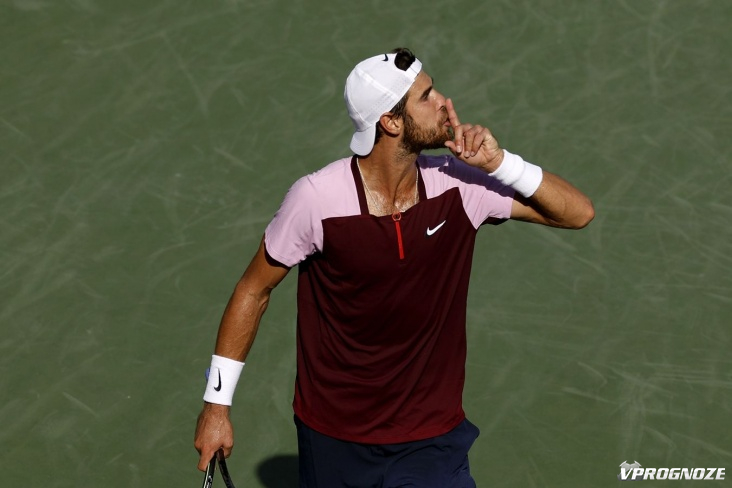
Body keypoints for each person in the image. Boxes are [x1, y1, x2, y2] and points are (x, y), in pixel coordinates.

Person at [194, 47, 594, 487]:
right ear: (391, 122)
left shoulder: (460, 185)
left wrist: (500, 164)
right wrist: (216, 407)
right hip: (334, 439)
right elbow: (253, 290)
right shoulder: (316, 200)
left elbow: (577, 213)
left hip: (431, 438)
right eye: (426, 96)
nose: (444, 102)